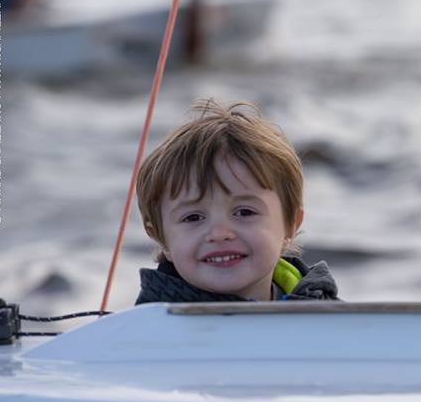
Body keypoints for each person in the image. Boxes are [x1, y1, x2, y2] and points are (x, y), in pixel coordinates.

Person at [134, 99, 339, 304]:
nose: (219, 234)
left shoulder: (325, 312)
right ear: (161, 239)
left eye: (244, 212)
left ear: (291, 224)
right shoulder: (147, 322)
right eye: (193, 217)